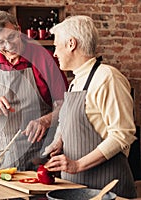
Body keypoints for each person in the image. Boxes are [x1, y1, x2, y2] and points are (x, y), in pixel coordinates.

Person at [43, 15, 137, 198]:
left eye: (56, 46)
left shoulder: (107, 78)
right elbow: (66, 120)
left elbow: (122, 134)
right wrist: (58, 141)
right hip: (74, 186)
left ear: (71, 44)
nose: (55, 53)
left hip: (108, 188)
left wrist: (77, 165)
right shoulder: (76, 81)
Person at [0, 11, 68, 171]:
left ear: (18, 29)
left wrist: (45, 121)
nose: (8, 46)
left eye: (11, 37)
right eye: (1, 42)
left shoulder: (44, 58)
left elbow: (65, 106)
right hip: (2, 154)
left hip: (40, 154)